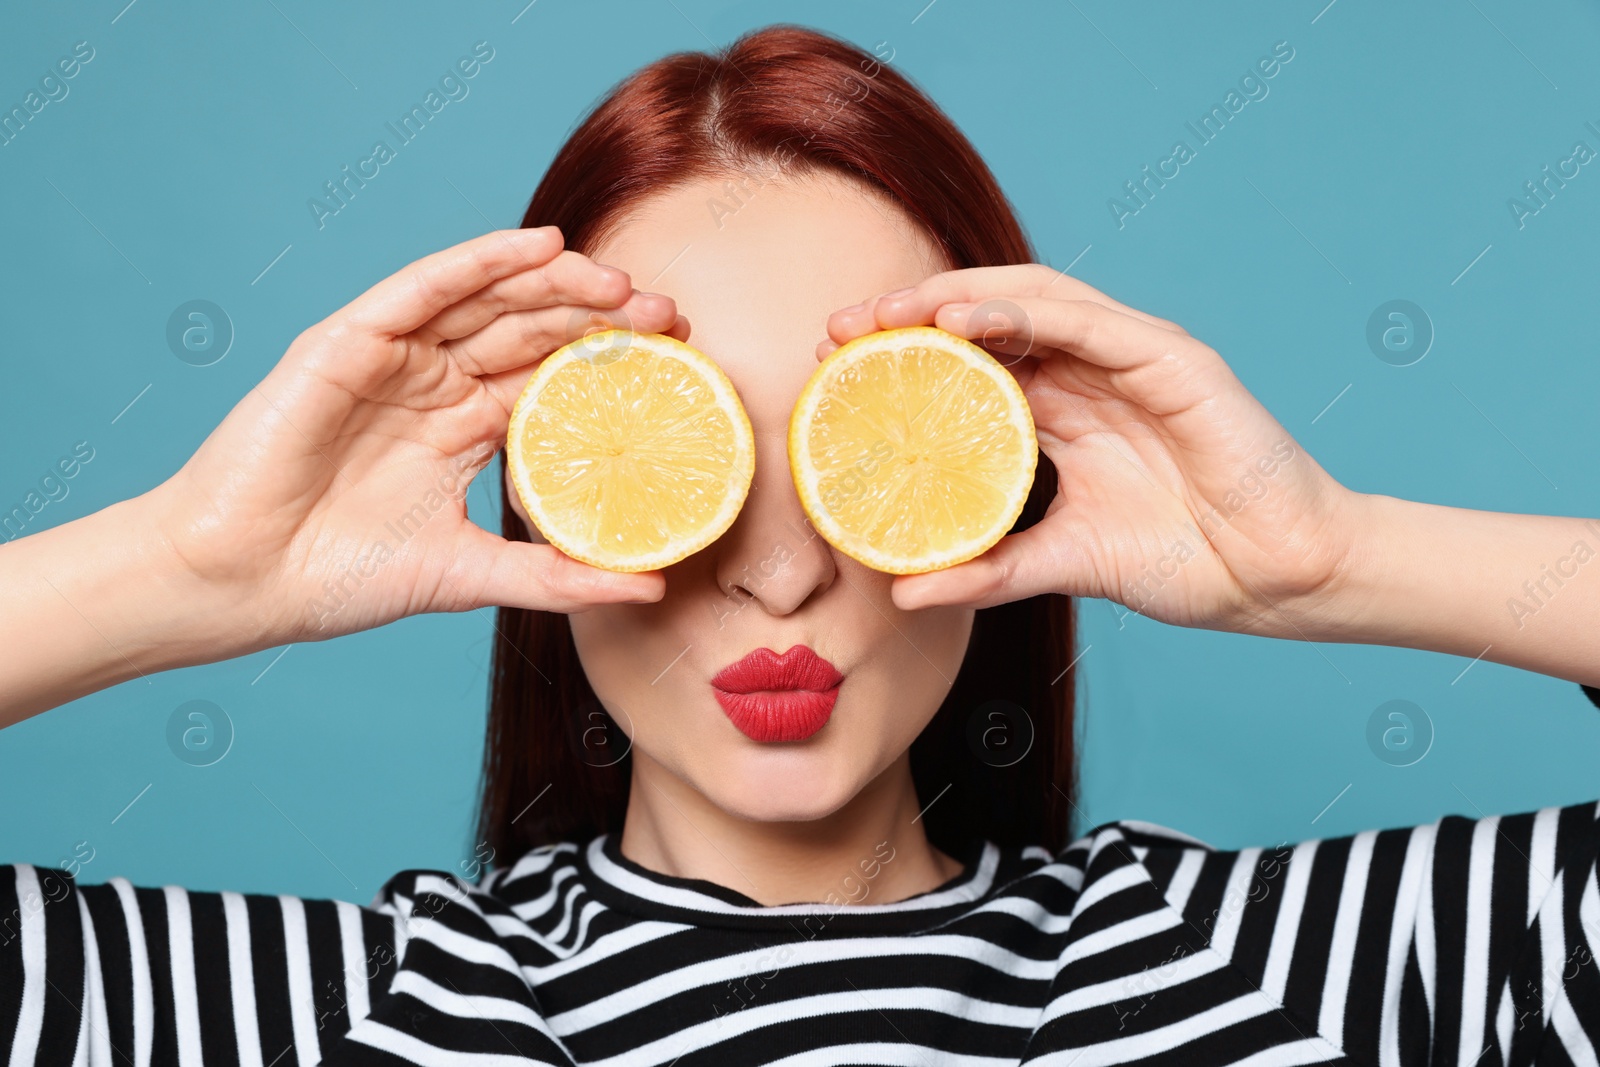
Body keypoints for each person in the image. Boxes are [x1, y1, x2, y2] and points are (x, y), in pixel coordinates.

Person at [2, 23, 1597, 1067]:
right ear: (540, 486)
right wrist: (185, 570)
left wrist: (1332, 556)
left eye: (868, 450)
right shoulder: (331, 1022)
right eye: (678, 458)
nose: (777, 572)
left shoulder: (1321, 982)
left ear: (1013, 475)